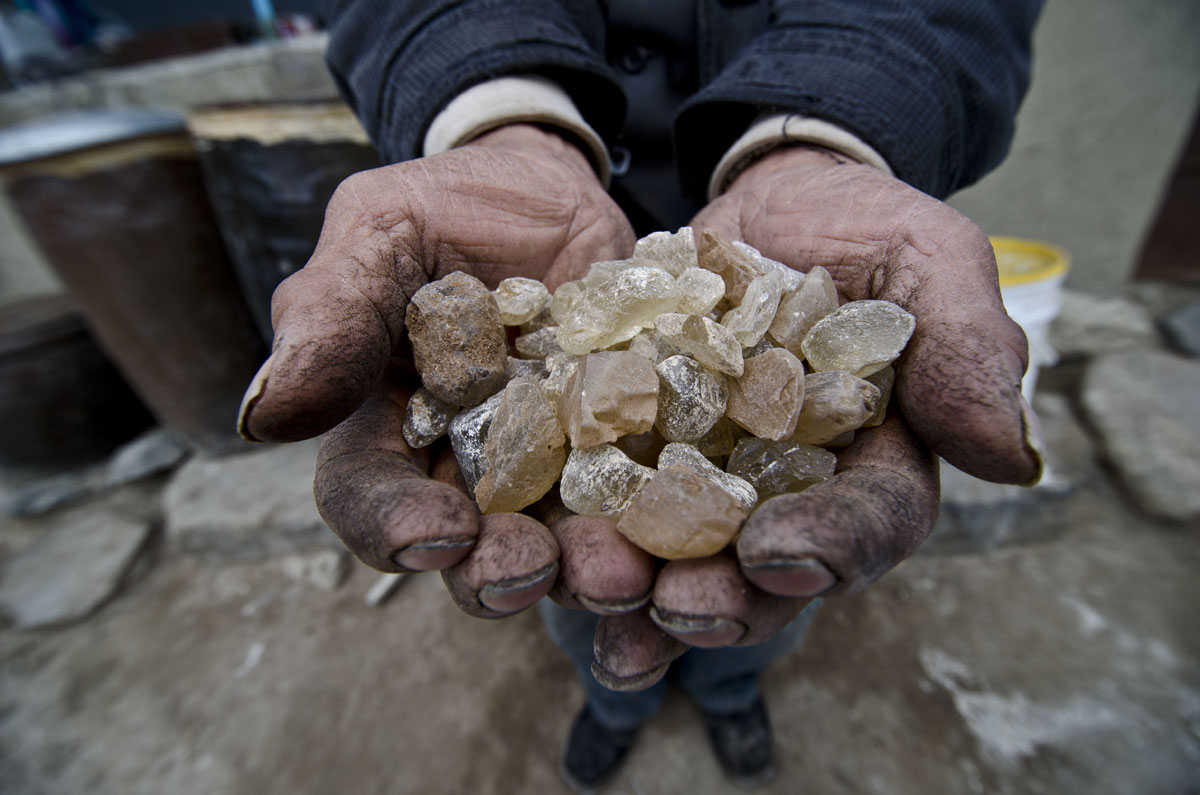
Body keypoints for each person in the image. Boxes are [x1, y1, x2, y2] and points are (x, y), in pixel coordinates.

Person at [237, 0, 1046, 789]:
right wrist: (500, 119)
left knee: (767, 573)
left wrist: (827, 136)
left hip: (773, 192)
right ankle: (613, 711)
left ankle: (731, 694)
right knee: (579, 580)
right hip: (566, 216)